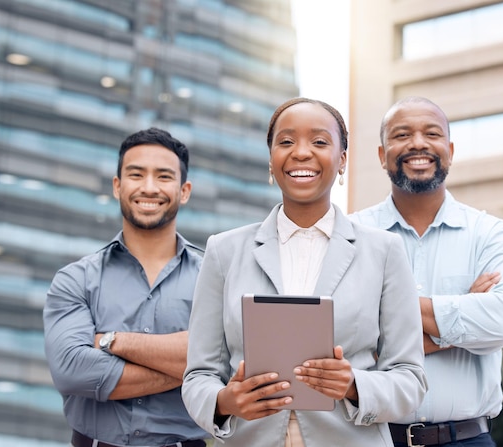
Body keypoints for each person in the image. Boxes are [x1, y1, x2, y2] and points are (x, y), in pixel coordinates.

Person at [181, 97, 427, 447]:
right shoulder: (224, 251)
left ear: (342, 160)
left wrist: (355, 384)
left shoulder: (384, 251)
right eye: (286, 141)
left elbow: (410, 380)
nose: (301, 152)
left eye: (320, 141)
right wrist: (224, 402)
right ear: (271, 160)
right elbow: (198, 375)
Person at [349, 96, 503, 446]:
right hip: (371, 438)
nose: (418, 143)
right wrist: (460, 315)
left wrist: (387, 309)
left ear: (449, 150)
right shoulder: (349, 235)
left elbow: (501, 321)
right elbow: (340, 339)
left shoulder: (490, 234)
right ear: (382, 154)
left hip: (467, 439)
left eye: (431, 134)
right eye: (402, 135)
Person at [43, 128, 208, 447]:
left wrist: (110, 341)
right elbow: (71, 370)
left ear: (184, 190)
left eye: (163, 176)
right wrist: (193, 368)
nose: (149, 188)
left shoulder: (214, 278)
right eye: (136, 174)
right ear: (117, 186)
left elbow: (232, 361)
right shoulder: (76, 279)